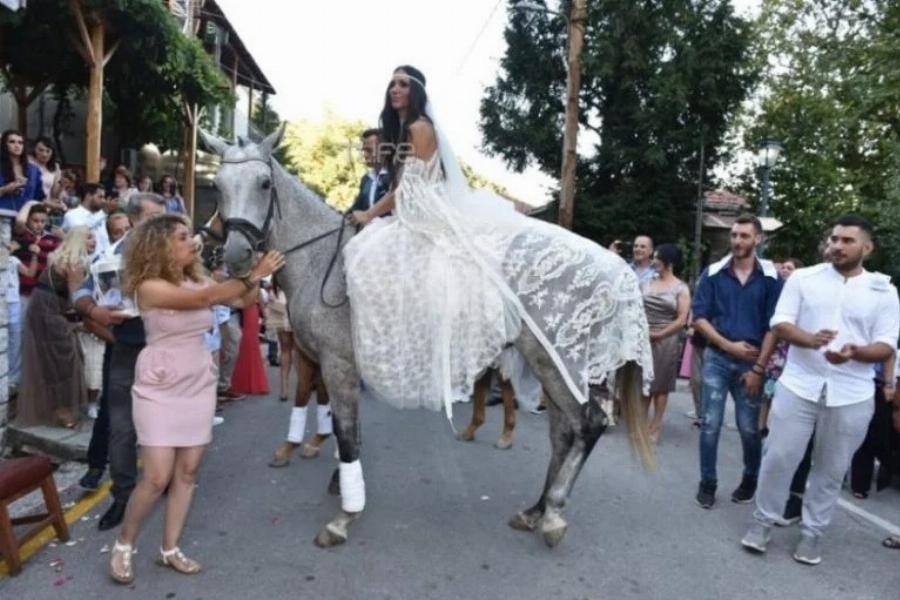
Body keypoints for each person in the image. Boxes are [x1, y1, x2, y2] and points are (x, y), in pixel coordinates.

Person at [344, 65, 652, 417]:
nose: (394, 90)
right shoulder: (403, 130)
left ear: (415, 92)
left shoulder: (417, 128)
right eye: (392, 84)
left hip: (424, 210)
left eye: (402, 84)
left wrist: (369, 216)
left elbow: (408, 189)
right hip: (418, 207)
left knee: (373, 255)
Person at [107, 215, 284, 584]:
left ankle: (169, 549)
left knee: (187, 473)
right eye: (183, 237)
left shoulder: (197, 277)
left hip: (197, 382)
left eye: (191, 236)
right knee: (156, 477)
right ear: (161, 247)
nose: (194, 243)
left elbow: (240, 297)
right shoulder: (148, 286)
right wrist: (252, 276)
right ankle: (125, 543)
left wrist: (254, 273)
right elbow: (205, 299)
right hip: (159, 383)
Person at [741, 214, 899, 566]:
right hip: (799, 384)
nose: (837, 246)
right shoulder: (803, 278)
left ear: (867, 248)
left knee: (831, 467)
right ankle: (762, 522)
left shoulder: (884, 291)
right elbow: (780, 322)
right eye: (834, 239)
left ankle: (813, 533)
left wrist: (856, 353)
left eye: (847, 241)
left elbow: (887, 344)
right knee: (779, 457)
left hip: (852, 392)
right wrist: (810, 340)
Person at [70, 193, 165, 523]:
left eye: (162, 217)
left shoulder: (175, 251)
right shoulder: (112, 254)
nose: (160, 224)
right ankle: (123, 496)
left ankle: (164, 480)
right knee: (122, 429)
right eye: (154, 217)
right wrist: (95, 310)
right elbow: (81, 292)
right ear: (136, 219)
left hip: (169, 352)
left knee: (164, 424)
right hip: (127, 351)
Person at [691, 215, 783, 509]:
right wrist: (726, 344)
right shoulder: (714, 273)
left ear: (758, 239)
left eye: (744, 236)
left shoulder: (771, 278)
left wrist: (759, 368)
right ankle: (708, 483)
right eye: (734, 235)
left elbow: (775, 326)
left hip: (752, 364)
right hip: (718, 358)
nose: (737, 241)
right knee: (710, 424)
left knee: (748, 428)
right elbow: (699, 318)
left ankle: (750, 479)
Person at [14, 227, 95, 428]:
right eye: (89, 237)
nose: (94, 241)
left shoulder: (61, 258)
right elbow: (76, 298)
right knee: (63, 360)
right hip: (49, 312)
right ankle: (63, 410)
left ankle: (59, 408)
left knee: (56, 358)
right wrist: (91, 316)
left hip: (45, 308)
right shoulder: (74, 263)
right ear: (78, 241)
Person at [641, 243, 690, 443]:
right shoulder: (646, 282)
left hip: (666, 340)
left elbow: (681, 320)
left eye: (657, 258)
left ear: (669, 262)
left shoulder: (681, 288)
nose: (653, 261)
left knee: (660, 386)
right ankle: (641, 424)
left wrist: (660, 334)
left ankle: (656, 426)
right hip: (643, 337)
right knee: (643, 383)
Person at [3, 239, 38, 401]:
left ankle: (13, 380)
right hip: (3, 304)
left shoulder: (14, 260)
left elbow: (30, 273)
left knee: (15, 342)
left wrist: (34, 256)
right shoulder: (7, 256)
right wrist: (8, 250)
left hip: (14, 304)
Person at [13, 201, 61, 317]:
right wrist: (31, 203)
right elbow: (20, 222)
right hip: (22, 291)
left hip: (43, 292)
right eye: (35, 221)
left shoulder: (52, 239)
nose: (39, 224)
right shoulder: (22, 235)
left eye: (43, 221)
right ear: (28, 220)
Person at [229, 295, 270, 395]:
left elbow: (257, 295)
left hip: (247, 309)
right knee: (246, 345)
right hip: (245, 310)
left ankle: (242, 382)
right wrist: (264, 313)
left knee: (248, 344)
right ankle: (248, 381)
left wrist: (264, 313)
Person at [0, 129, 45, 211]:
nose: (17, 145)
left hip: (25, 217)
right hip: (3, 215)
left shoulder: (33, 170)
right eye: (12, 142)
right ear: (4, 144)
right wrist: (5, 189)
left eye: (20, 142)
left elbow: (39, 197)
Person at [349, 128, 390, 215]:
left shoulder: (396, 178)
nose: (365, 155)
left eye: (369, 150)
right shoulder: (366, 179)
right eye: (364, 150)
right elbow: (356, 209)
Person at [63, 183, 110, 256]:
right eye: (100, 197)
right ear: (88, 196)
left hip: (104, 262)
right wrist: (104, 213)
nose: (103, 201)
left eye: (104, 197)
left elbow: (105, 241)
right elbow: (83, 231)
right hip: (82, 263)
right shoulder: (71, 215)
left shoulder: (100, 215)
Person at [30, 136, 61, 200]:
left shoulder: (55, 167)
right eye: (41, 150)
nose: (44, 154)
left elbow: (54, 194)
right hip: (29, 201)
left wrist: (62, 185)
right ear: (34, 149)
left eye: (48, 151)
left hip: (46, 205)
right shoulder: (29, 162)